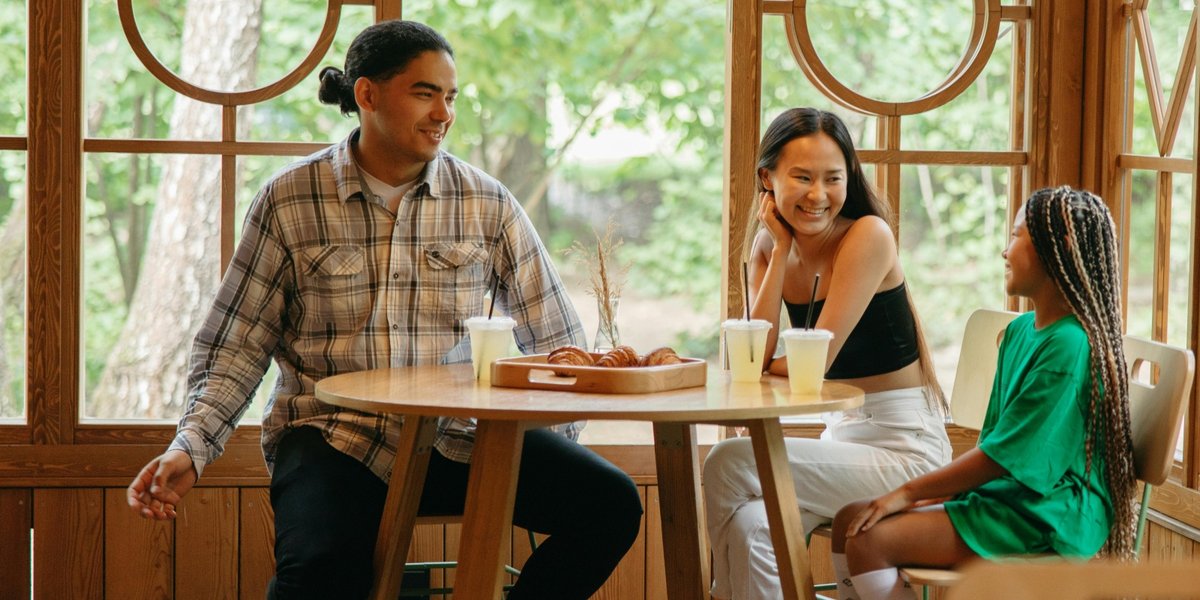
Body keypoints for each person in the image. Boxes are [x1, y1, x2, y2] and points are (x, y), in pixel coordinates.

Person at [125, 20, 642, 600]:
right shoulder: (289, 199)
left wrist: (548, 443)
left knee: (612, 506)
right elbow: (236, 346)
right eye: (425, 93)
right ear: (367, 95)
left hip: (465, 440)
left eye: (449, 97)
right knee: (319, 573)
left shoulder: (487, 202)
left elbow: (559, 337)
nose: (443, 113)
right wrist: (190, 448)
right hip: (335, 440)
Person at [830, 186, 1137, 600]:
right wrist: (934, 494)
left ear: (1057, 246)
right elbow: (998, 444)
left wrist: (907, 493)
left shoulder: (1069, 346)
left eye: (1016, 236)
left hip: (1049, 514)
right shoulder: (1018, 333)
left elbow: (1005, 458)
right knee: (850, 519)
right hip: (1012, 498)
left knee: (869, 539)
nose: (1004, 251)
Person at [702, 107, 952, 599]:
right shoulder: (767, 246)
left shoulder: (867, 236)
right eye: (801, 177)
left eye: (833, 178)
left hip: (905, 451)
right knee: (752, 524)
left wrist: (778, 362)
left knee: (726, 462)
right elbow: (756, 360)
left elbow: (813, 361)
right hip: (843, 441)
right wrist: (777, 251)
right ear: (767, 180)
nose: (819, 195)